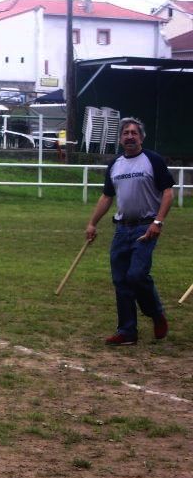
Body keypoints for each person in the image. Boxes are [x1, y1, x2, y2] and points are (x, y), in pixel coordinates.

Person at [84, 117, 174, 346]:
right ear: (120, 139)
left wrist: (158, 222)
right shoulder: (115, 164)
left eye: (134, 133)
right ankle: (127, 331)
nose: (130, 136)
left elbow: (167, 192)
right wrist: (92, 223)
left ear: (141, 137)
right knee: (121, 280)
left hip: (146, 226)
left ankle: (156, 314)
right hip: (122, 229)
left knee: (136, 275)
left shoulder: (152, 160)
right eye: (126, 133)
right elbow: (107, 197)